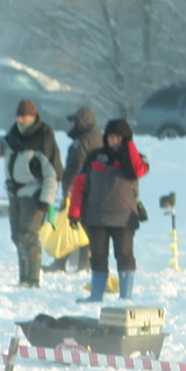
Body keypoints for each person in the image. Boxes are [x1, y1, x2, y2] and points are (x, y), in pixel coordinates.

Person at [69, 118, 149, 300]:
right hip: (95, 217)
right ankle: (96, 296)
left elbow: (136, 171)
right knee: (97, 257)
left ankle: (125, 296)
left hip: (124, 217)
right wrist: (74, 212)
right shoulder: (94, 156)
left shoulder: (137, 159)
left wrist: (128, 146)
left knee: (125, 256)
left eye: (119, 137)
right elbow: (79, 184)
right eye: (111, 136)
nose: (114, 140)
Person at [0, 99, 60, 287]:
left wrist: (46, 200)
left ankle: (33, 279)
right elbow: (5, 146)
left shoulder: (44, 139)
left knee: (28, 234)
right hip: (14, 193)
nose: (20, 120)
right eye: (18, 116)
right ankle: (23, 278)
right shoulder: (14, 134)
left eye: (24, 116)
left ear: (33, 116)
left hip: (34, 194)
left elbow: (53, 174)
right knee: (16, 235)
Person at [55, 106, 102, 270]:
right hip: (88, 187)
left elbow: (77, 166)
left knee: (75, 226)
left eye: (75, 121)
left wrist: (70, 190)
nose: (72, 124)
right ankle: (79, 263)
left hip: (80, 189)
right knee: (79, 226)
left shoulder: (84, 140)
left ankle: (72, 263)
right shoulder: (93, 137)